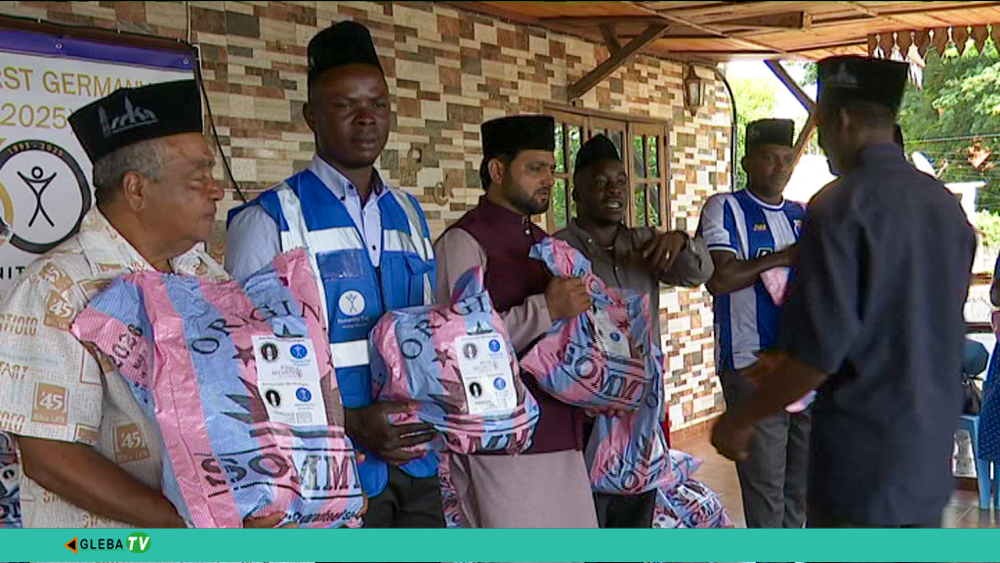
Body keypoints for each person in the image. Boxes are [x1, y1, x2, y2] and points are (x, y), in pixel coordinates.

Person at [0, 80, 288, 528]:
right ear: (136, 189)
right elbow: (49, 456)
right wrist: (194, 531)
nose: (216, 191)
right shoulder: (57, 288)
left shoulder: (205, 274)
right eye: (198, 178)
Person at [711, 55, 976, 528]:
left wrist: (743, 417)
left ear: (844, 120)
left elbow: (818, 357)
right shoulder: (944, 208)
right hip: (926, 457)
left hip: (861, 464)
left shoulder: (839, 206)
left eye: (823, 127)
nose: (822, 143)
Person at [224, 21, 443, 528]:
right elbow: (247, 368)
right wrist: (350, 422)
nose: (366, 118)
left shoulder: (410, 214)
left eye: (378, 104)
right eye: (345, 105)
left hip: (417, 464)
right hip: (327, 476)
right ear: (311, 116)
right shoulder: (270, 219)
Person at [434, 114, 598, 528]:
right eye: (535, 168)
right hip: (502, 443)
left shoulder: (547, 245)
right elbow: (458, 351)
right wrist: (546, 309)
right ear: (497, 171)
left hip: (562, 432)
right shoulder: (464, 242)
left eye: (551, 168)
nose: (549, 179)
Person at [553, 134, 714, 528]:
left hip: (642, 414)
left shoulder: (646, 244)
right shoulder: (558, 251)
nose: (614, 190)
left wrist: (681, 241)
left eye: (620, 181)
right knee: (587, 522)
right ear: (576, 192)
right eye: (600, 182)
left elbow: (700, 273)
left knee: (636, 522)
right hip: (584, 418)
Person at [695, 118, 810, 529]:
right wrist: (784, 257)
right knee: (766, 490)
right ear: (746, 162)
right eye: (769, 158)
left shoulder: (802, 214)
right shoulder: (725, 208)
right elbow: (721, 278)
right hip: (750, 365)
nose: (780, 167)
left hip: (803, 367)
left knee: (801, 489)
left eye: (787, 159)